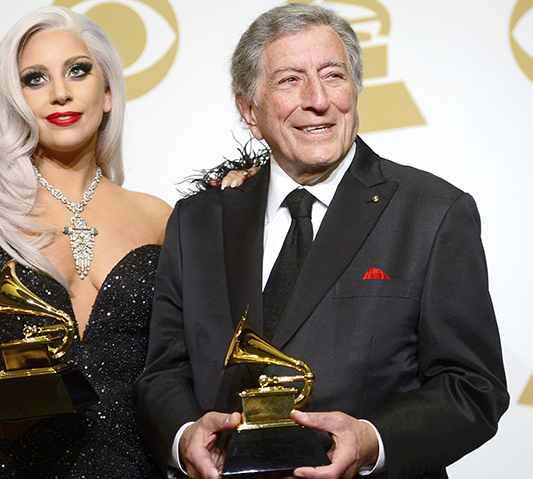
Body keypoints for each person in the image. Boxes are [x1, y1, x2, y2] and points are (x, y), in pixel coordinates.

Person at [136, 4, 509, 479]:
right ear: (250, 111)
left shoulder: (433, 213)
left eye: (333, 75)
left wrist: (373, 440)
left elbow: (473, 387)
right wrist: (184, 436)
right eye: (290, 80)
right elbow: (163, 372)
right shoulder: (197, 221)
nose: (318, 99)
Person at [0, 6, 252, 478]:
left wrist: (248, 200)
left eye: (77, 71)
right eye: (35, 79)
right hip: (3, 466)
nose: (59, 92)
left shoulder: (159, 217)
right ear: (15, 100)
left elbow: (202, 347)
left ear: (107, 93)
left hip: (130, 465)